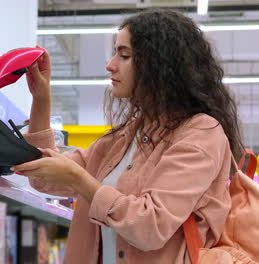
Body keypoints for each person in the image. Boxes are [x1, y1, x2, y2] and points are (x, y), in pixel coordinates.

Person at [12, 8, 244, 264]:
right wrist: (41, 100)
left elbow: (150, 227)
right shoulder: (123, 138)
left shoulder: (201, 133)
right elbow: (45, 179)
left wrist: (78, 180)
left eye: (124, 55)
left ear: (160, 64)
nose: (110, 65)